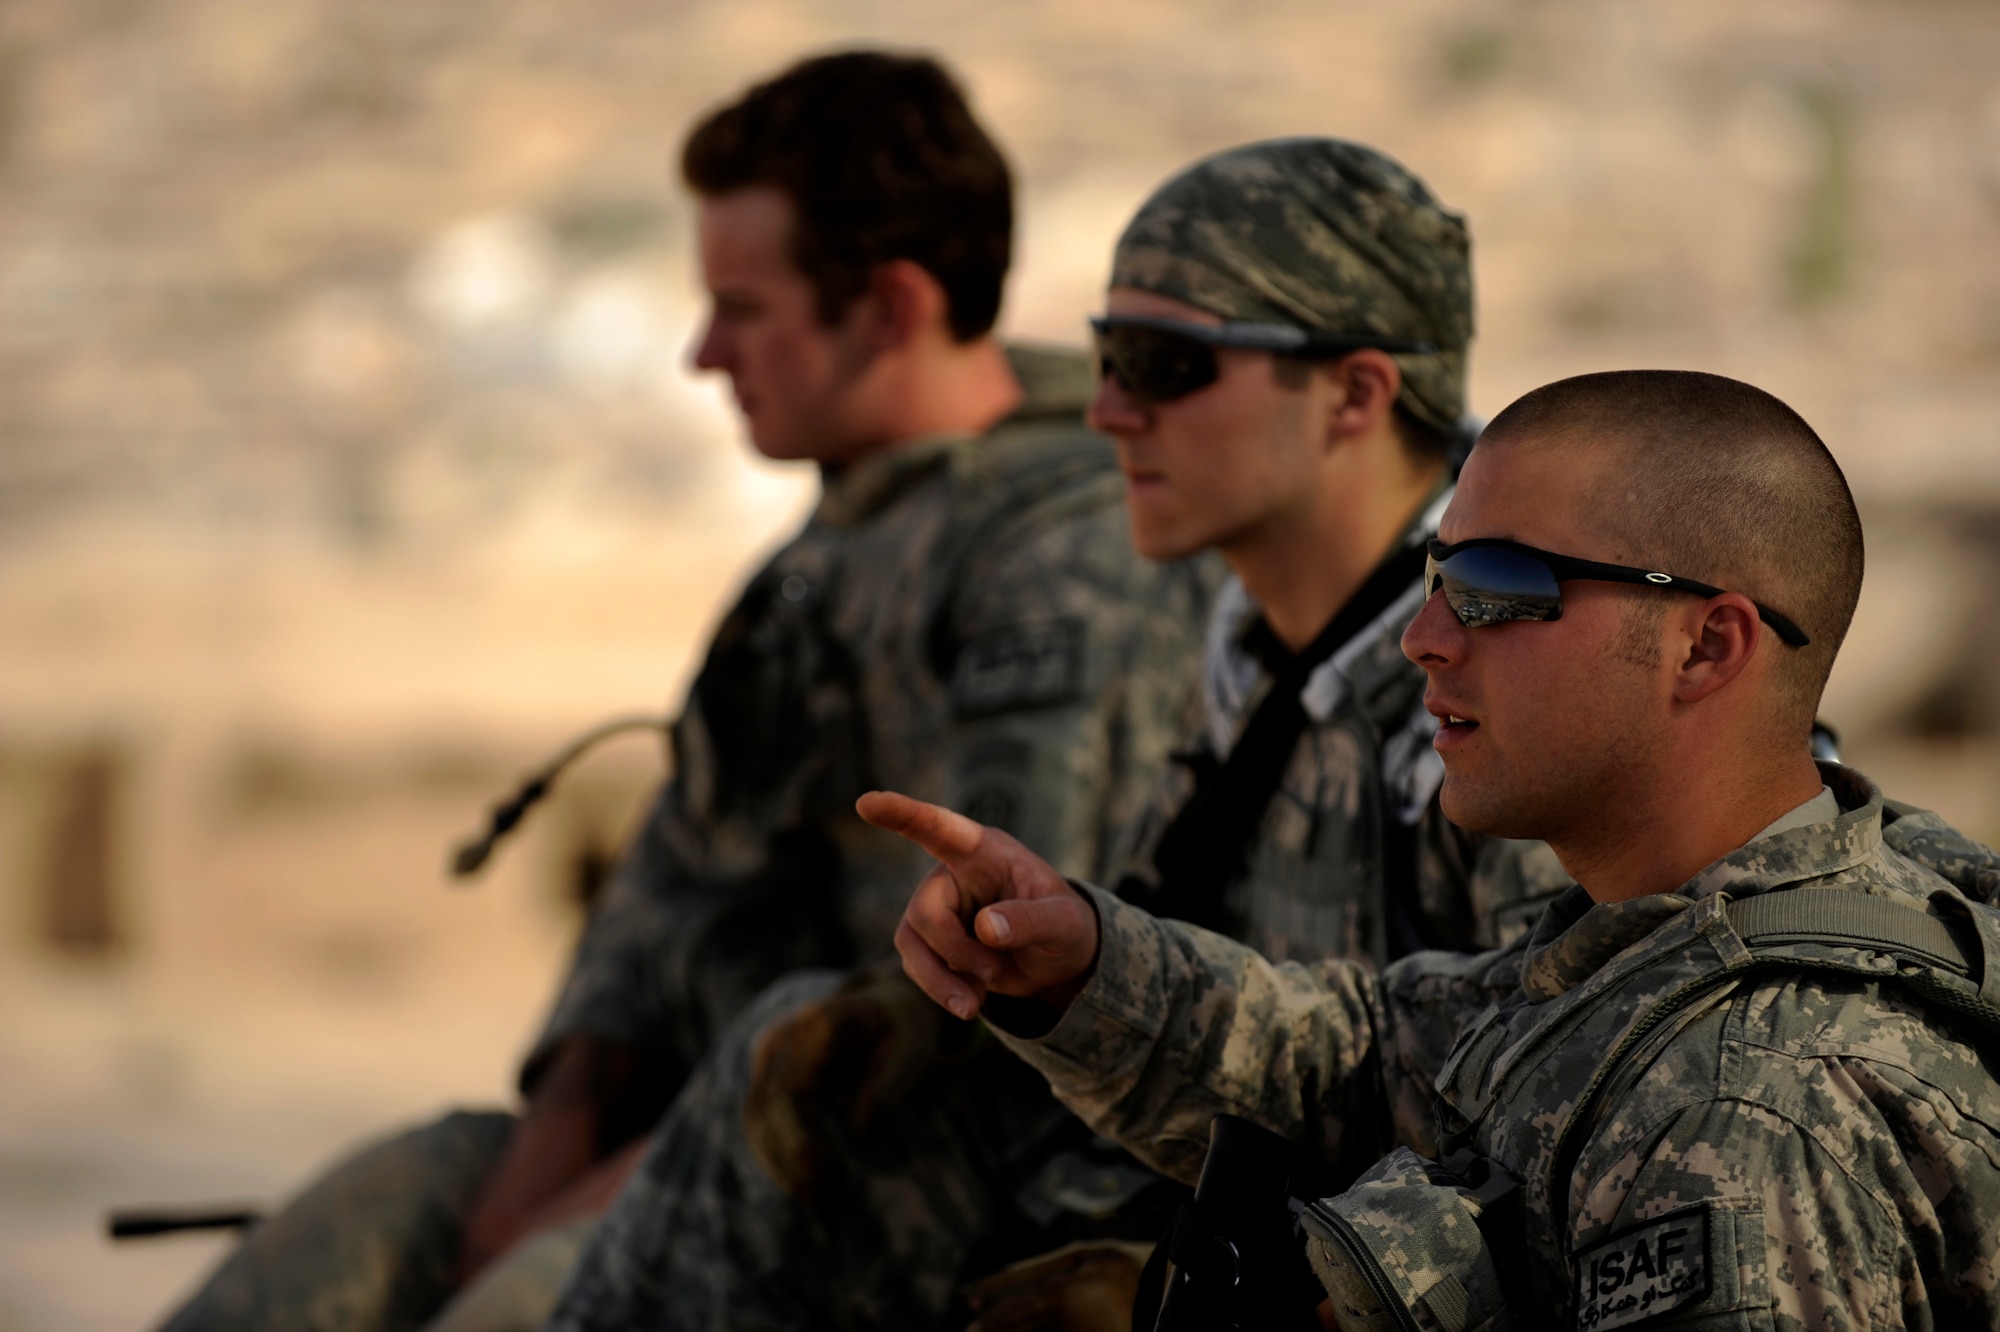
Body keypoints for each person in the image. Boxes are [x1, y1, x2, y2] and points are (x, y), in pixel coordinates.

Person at [156, 51, 1213, 1332]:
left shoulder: (1063, 558)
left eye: (742, 308)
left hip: (880, 1176)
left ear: (886, 306)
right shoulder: (823, 557)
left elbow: (1010, 984)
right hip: (675, 1144)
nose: (703, 353)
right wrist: (557, 1136)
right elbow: (680, 870)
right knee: (338, 1252)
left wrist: (618, 1192)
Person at [542, 138, 1570, 1332]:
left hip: (1358, 1274)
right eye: (1102, 355)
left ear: (1354, 393)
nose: (1104, 411)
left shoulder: (1506, 683)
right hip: (1218, 1187)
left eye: (1161, 364)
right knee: (810, 1073)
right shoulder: (1250, 641)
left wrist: (1191, 1305)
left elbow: (1555, 1150)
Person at [871, 369, 2000, 1329]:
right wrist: (1077, 965)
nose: (1422, 640)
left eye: (1496, 590)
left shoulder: (1744, 1121)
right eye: (1433, 577)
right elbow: (1369, 1064)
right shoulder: (1682, 929)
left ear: (1705, 645)